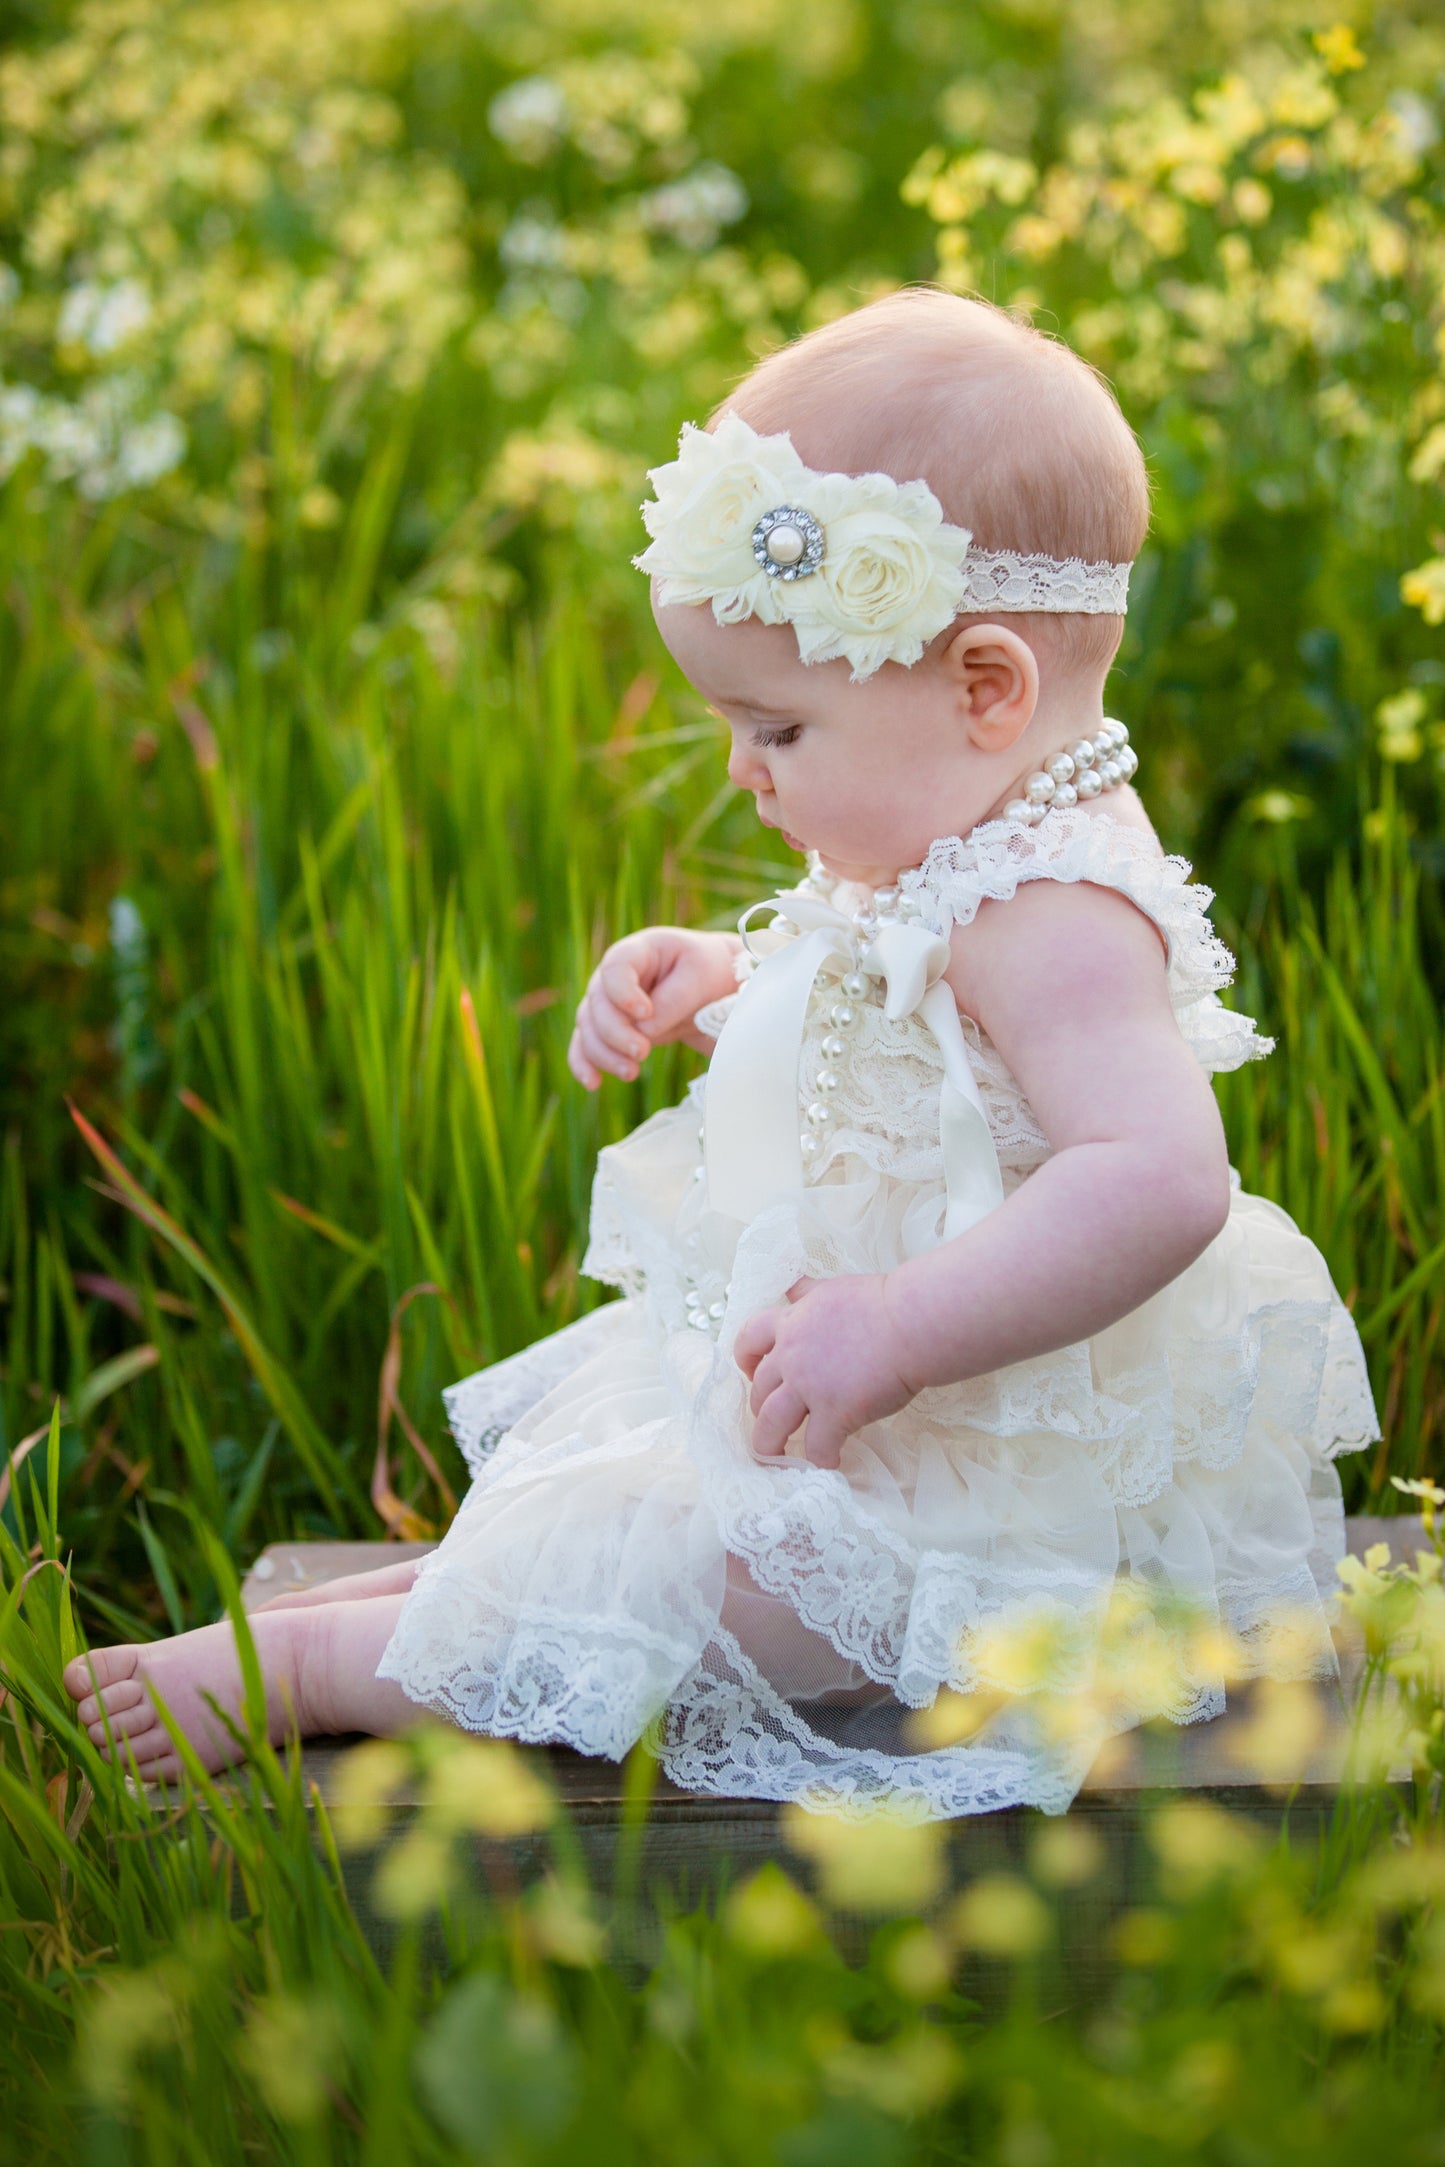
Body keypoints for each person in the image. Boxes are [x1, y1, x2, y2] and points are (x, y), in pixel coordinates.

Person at [64, 290, 1378, 1813]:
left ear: (985, 688)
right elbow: (894, 996)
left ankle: (313, 1673)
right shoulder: (979, 819)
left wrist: (898, 1328)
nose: (746, 779)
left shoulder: (1062, 913)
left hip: (997, 1446)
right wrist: (724, 974)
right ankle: (380, 1615)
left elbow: (1154, 1180)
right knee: (628, 1506)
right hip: (864, 1391)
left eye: (778, 733)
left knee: (731, 1602)